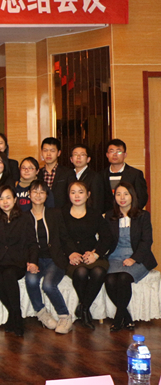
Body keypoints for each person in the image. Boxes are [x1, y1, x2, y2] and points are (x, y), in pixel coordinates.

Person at [0, 184, 36, 337]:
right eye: (1, 199)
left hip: (17, 261)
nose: (5, 202)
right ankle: (15, 314)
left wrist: (33, 261)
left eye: (8, 198)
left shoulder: (25, 217)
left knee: (9, 275)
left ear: (15, 199)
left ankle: (16, 316)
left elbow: (32, 243)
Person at [105, 182, 156, 332]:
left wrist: (134, 258)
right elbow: (106, 239)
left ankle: (118, 318)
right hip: (115, 256)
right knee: (109, 279)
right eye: (118, 194)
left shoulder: (143, 216)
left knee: (123, 278)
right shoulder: (110, 216)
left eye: (126, 194)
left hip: (138, 257)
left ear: (132, 196)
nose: (122, 198)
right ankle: (126, 317)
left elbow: (147, 241)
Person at [61, 180, 112, 330]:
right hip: (71, 256)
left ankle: (83, 307)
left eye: (81, 192)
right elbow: (61, 237)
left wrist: (96, 254)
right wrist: (71, 253)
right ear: (68, 195)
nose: (77, 196)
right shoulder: (62, 213)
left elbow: (107, 237)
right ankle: (85, 311)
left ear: (88, 194)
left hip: (91, 254)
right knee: (81, 272)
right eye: (73, 192)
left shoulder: (95, 213)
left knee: (99, 271)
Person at [24, 181, 73, 335]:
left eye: (42, 192)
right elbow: (24, 243)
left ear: (46, 195)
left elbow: (65, 237)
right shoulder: (24, 217)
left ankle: (65, 317)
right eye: (35, 191)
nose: (38, 195)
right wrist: (30, 262)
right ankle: (42, 313)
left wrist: (71, 253)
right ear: (29, 195)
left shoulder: (55, 213)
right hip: (36, 260)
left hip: (54, 259)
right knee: (31, 280)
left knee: (48, 285)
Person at [102, 139, 148, 212]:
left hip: (130, 214)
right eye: (112, 151)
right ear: (107, 155)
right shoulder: (101, 175)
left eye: (119, 151)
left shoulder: (135, 174)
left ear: (125, 155)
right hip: (108, 216)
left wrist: (131, 213)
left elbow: (142, 198)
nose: (115, 154)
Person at [37, 137, 75, 210]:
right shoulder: (38, 174)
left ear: (59, 153)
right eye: (45, 150)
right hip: (42, 212)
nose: (48, 154)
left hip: (62, 213)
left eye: (52, 151)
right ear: (41, 152)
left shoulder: (68, 173)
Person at [69, 144, 105, 214]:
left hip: (89, 214)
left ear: (88, 159)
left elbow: (97, 201)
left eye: (82, 155)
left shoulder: (95, 176)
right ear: (71, 159)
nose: (78, 157)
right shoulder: (68, 175)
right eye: (75, 154)